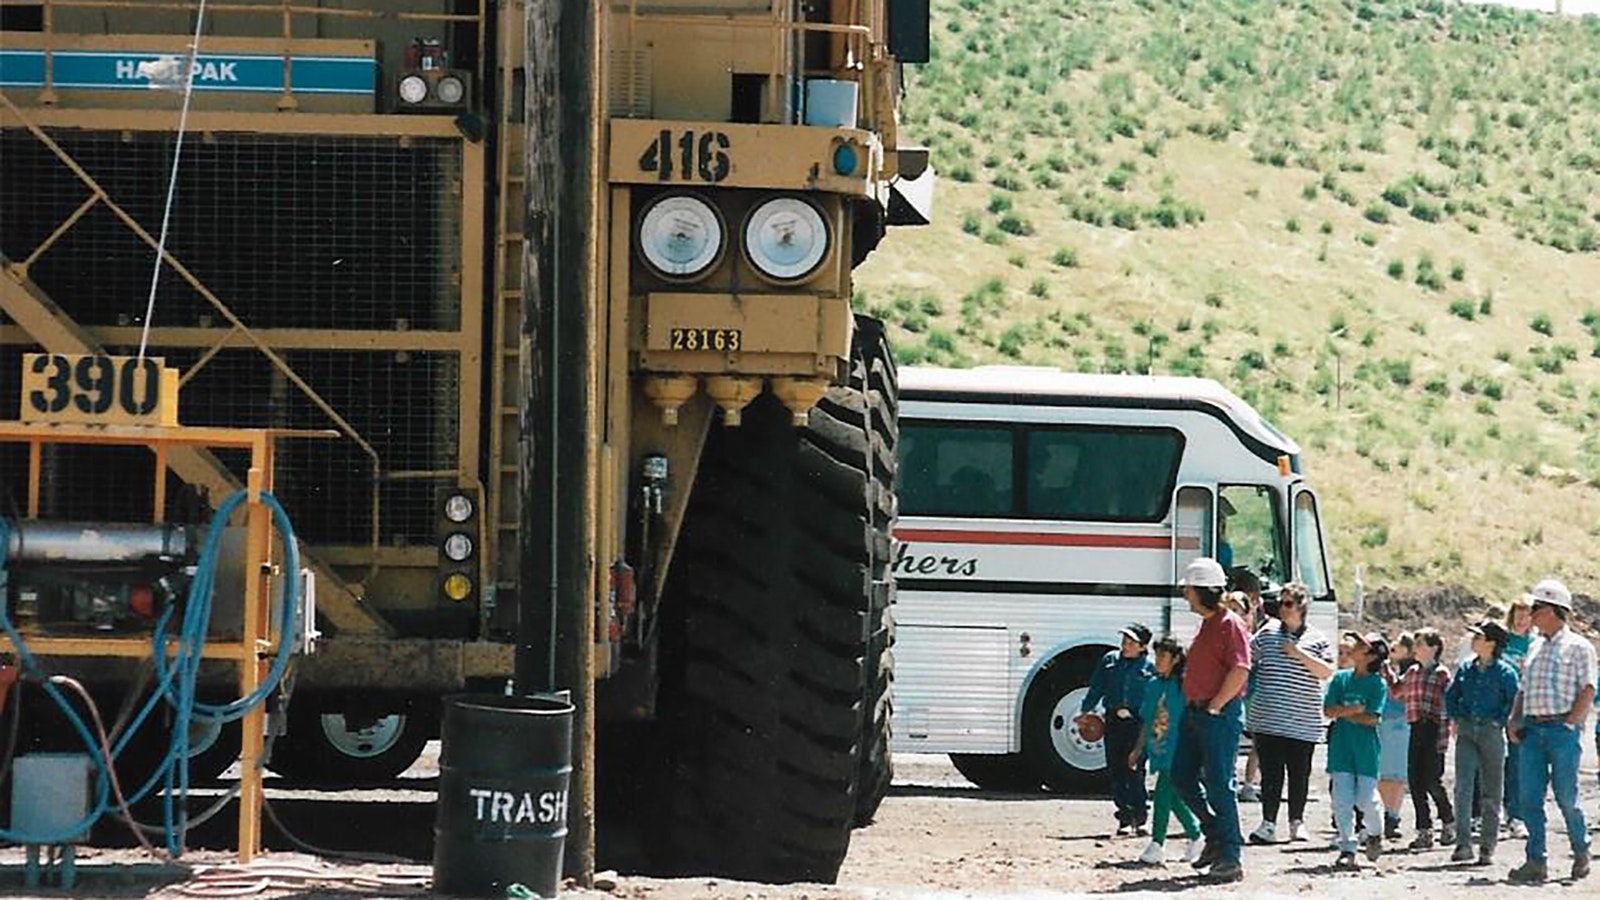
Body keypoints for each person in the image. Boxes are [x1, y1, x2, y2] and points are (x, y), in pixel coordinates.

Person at [1507, 578, 1597, 884]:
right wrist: (1515, 719)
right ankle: (1536, 859)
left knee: (1566, 796)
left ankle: (1580, 848)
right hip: (1533, 730)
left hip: (1561, 731)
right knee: (1530, 797)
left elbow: (1588, 688)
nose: (1531, 615)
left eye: (1537, 609)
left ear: (1555, 611)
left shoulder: (1579, 647)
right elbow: (1522, 689)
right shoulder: (1534, 647)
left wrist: (1571, 722)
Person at [1170, 557, 1251, 883]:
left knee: (1219, 785)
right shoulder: (1209, 623)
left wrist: (1217, 705)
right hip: (1198, 712)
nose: (1185, 594)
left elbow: (1240, 669)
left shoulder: (1230, 623)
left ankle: (1230, 854)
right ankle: (1216, 833)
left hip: (1216, 714)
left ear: (1202, 590)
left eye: (1189, 589)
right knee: (1181, 776)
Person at [1245, 581, 1334, 846]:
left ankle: (1297, 822)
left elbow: (1326, 671)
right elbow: (1248, 656)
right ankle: (1268, 823)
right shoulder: (1267, 631)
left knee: (1299, 774)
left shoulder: (1317, 638)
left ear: (1301, 607)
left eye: (1287, 604)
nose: (1281, 609)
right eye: (1279, 603)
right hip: (1268, 719)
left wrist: (1298, 653)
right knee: (1271, 774)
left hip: (1303, 722)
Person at [1446, 618, 1519, 866]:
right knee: (1463, 787)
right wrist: (1456, 717)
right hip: (1467, 730)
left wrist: (1500, 721)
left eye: (1478, 637)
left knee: (1491, 791)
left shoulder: (1506, 672)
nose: (1474, 641)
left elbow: (1512, 700)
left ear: (1491, 643)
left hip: (1490, 731)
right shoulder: (1466, 668)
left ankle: (1487, 846)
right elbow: (1452, 695)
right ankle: (1463, 844)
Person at [1130, 636, 1205, 866]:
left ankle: (1157, 843)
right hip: (1159, 750)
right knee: (1173, 796)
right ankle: (1196, 835)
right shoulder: (1153, 685)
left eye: (1163, 656)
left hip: (1178, 750)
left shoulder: (1184, 686)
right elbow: (1147, 720)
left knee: (1164, 791)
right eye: (1157, 655)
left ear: (1175, 659)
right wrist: (1137, 749)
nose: (1158, 660)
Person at [1077, 622, 1155, 837]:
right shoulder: (1110, 661)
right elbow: (1097, 688)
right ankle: (1124, 817)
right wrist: (1085, 711)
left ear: (1143, 646)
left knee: (1136, 768)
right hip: (1114, 720)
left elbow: (1156, 697)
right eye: (1124, 641)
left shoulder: (1150, 667)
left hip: (1138, 723)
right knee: (1116, 768)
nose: (1125, 646)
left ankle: (1141, 816)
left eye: (1131, 642)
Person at [1325, 631, 1389, 869]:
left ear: (1371, 655)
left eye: (1361, 646)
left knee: (1366, 799)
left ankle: (1374, 832)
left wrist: (1346, 712)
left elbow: (1373, 718)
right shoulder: (1340, 679)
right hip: (1341, 748)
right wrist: (1352, 711)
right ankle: (1347, 847)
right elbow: (1329, 711)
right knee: (1341, 800)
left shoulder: (1377, 684)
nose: (1353, 648)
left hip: (1366, 751)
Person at [1400, 627, 1454, 850]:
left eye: (1421, 644)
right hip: (1416, 728)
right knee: (1415, 781)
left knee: (1433, 779)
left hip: (1434, 728)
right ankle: (1424, 829)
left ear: (1434, 648)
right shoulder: (1411, 672)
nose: (1416, 649)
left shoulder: (1442, 674)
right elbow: (1397, 691)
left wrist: (1444, 736)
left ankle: (1448, 820)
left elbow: (1447, 707)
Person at [1501, 596, 1535, 840]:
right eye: (1518, 613)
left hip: (1525, 707)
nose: (1522, 619)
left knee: (1518, 762)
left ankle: (1516, 814)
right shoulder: (1503, 641)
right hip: (1500, 705)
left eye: (1527, 614)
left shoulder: (1536, 643)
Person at [1377, 632, 1413, 840]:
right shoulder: (1388, 668)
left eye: (1399, 645)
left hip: (1400, 722)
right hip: (1385, 720)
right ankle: (1384, 813)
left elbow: (1397, 691)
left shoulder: (1409, 671)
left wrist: (1387, 671)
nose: (1393, 646)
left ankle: (1394, 815)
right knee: (1382, 772)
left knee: (1397, 774)